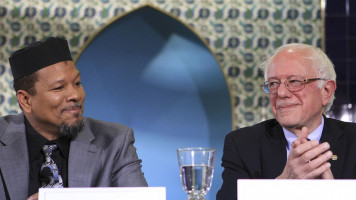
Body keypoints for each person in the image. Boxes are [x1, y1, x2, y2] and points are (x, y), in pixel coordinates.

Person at [0, 37, 148, 200]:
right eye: (58, 88)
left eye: (77, 83)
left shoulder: (115, 142)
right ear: (26, 100)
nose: (75, 95)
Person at [216, 43, 356, 200]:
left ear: (326, 91)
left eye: (295, 81)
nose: (281, 93)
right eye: (273, 84)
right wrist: (284, 184)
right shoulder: (242, 144)